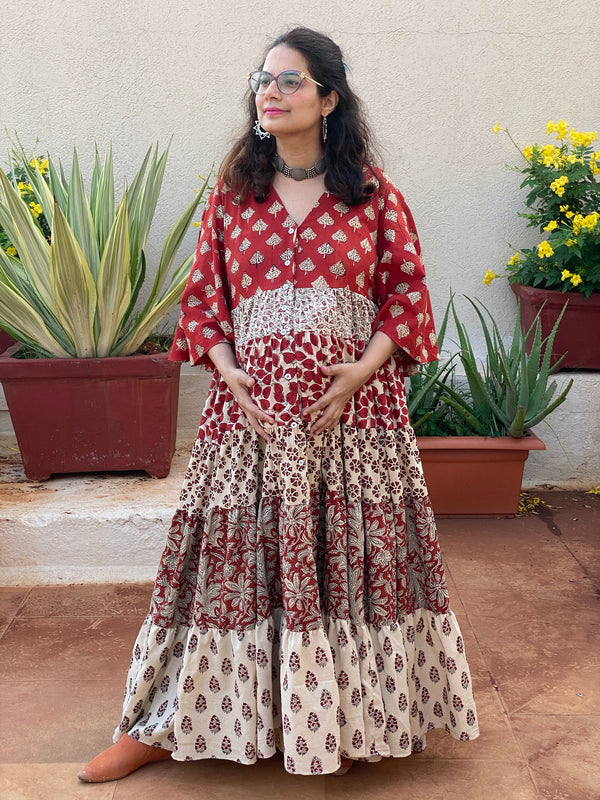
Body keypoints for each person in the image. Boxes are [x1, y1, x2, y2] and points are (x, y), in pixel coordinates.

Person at [78, 26, 479, 782]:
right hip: (249, 422)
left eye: (291, 80)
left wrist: (360, 371)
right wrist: (228, 374)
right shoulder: (234, 195)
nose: (271, 90)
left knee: (353, 564)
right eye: (264, 78)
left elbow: (407, 295)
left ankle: (354, 718)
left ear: (329, 98)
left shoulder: (372, 194)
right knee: (226, 568)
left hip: (353, 422)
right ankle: (165, 721)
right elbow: (203, 302)